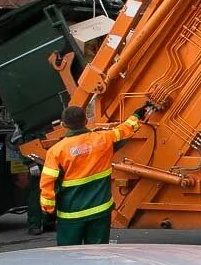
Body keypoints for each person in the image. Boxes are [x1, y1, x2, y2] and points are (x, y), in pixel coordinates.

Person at [39, 104, 149, 245]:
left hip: (71, 216)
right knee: (99, 256)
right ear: (86, 121)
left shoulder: (56, 152)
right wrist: (137, 115)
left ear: (63, 124)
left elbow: (48, 185)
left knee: (69, 258)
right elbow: (124, 130)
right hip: (100, 211)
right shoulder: (103, 139)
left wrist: (48, 211)